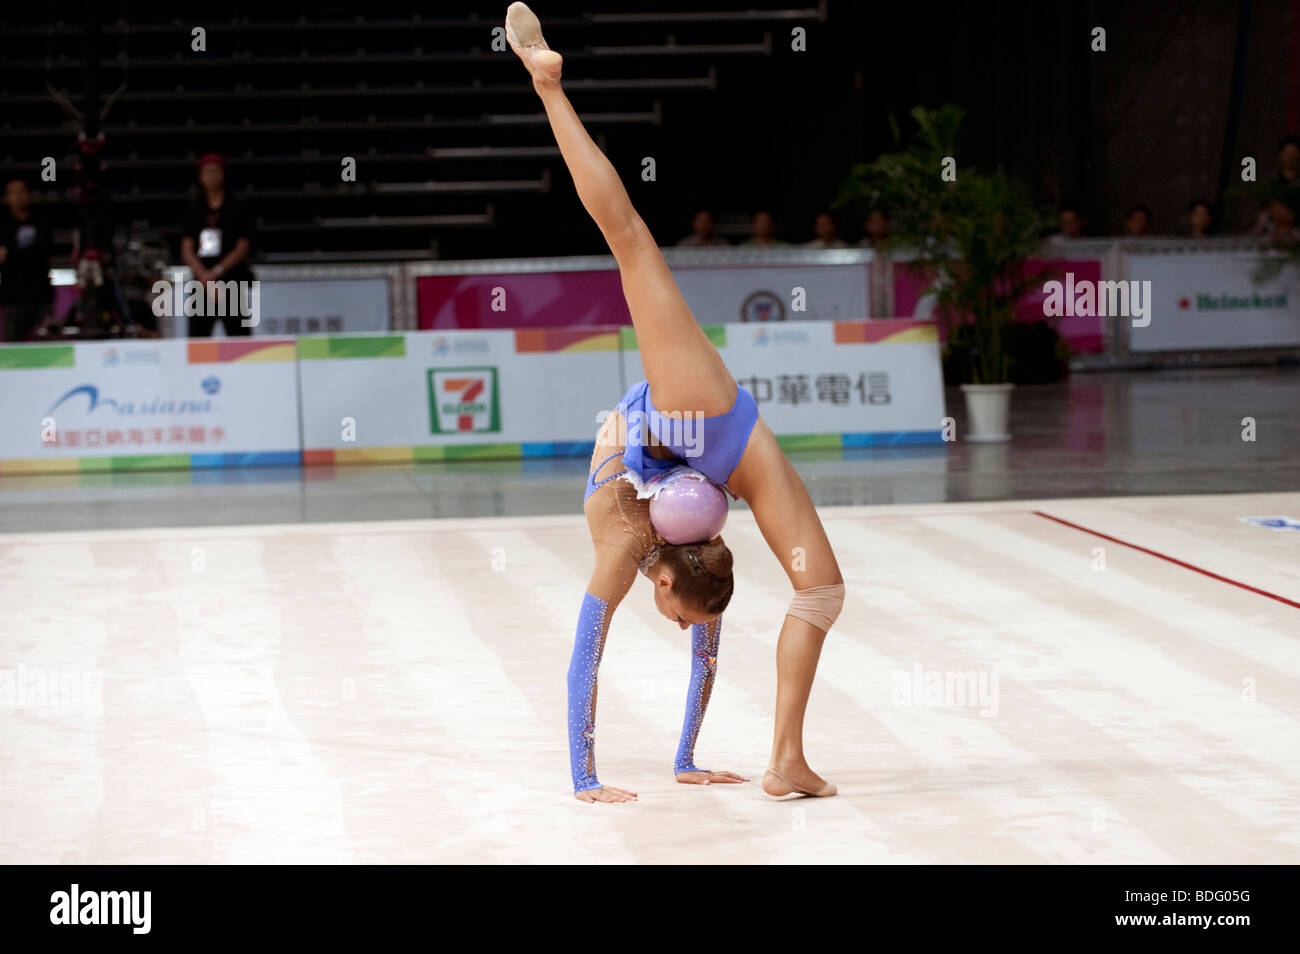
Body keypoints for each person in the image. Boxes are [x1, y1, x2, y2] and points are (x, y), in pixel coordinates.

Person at [505, 2, 845, 804]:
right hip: (690, 426)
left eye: (690, 622)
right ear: (668, 582)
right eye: (690, 620)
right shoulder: (641, 548)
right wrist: (583, 779)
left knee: (821, 590)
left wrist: (685, 759)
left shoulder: (691, 563)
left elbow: (697, 639)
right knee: (630, 242)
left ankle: (786, 761)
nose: (691, 630)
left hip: (696, 432)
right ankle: (549, 87)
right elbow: (585, 652)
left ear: (670, 582)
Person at [180, 153, 256, 336]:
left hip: (231, 279)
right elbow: (187, 246)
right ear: (200, 176)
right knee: (198, 341)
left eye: (215, 171)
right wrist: (204, 276)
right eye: (207, 172)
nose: (211, 176)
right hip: (202, 281)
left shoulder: (237, 206)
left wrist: (216, 272)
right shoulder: (194, 207)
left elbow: (242, 246)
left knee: (239, 337)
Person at [0, 178, 54, 342]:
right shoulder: (2, 225)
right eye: (13, 192)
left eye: (21, 191)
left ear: (29, 195)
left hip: (41, 297)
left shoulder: (42, 221)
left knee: (47, 350)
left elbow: (45, 253)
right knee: (12, 350)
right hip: (12, 299)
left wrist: (11, 253)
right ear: (7, 197)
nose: (18, 196)